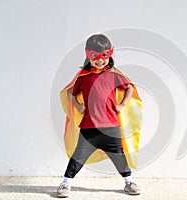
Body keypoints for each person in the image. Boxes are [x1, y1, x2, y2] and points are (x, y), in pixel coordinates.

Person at [57, 34, 142, 198]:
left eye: (104, 55)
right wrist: (78, 106)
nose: (100, 60)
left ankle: (129, 182)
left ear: (110, 54)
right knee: (77, 157)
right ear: (88, 55)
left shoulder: (114, 74)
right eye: (94, 56)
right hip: (89, 127)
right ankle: (65, 183)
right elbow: (72, 94)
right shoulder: (84, 76)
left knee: (119, 156)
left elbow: (130, 87)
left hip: (111, 126)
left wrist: (122, 104)